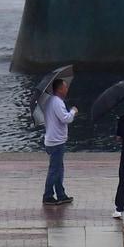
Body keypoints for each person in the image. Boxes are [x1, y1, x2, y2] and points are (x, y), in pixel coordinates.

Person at [42, 77, 76, 205]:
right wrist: (73, 111)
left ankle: (61, 194)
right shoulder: (57, 102)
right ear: (60, 89)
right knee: (55, 170)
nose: (67, 89)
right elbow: (66, 118)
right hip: (56, 142)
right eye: (65, 87)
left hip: (52, 139)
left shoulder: (50, 101)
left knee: (58, 169)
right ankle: (48, 195)